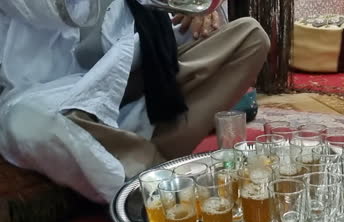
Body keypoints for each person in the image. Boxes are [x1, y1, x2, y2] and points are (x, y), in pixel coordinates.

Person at [0, 0, 270, 203]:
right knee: (28, 124)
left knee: (250, 37)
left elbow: (168, 24)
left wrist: (200, 14)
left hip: (141, 80)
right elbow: (66, 11)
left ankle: (127, 162)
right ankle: (148, 181)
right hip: (54, 95)